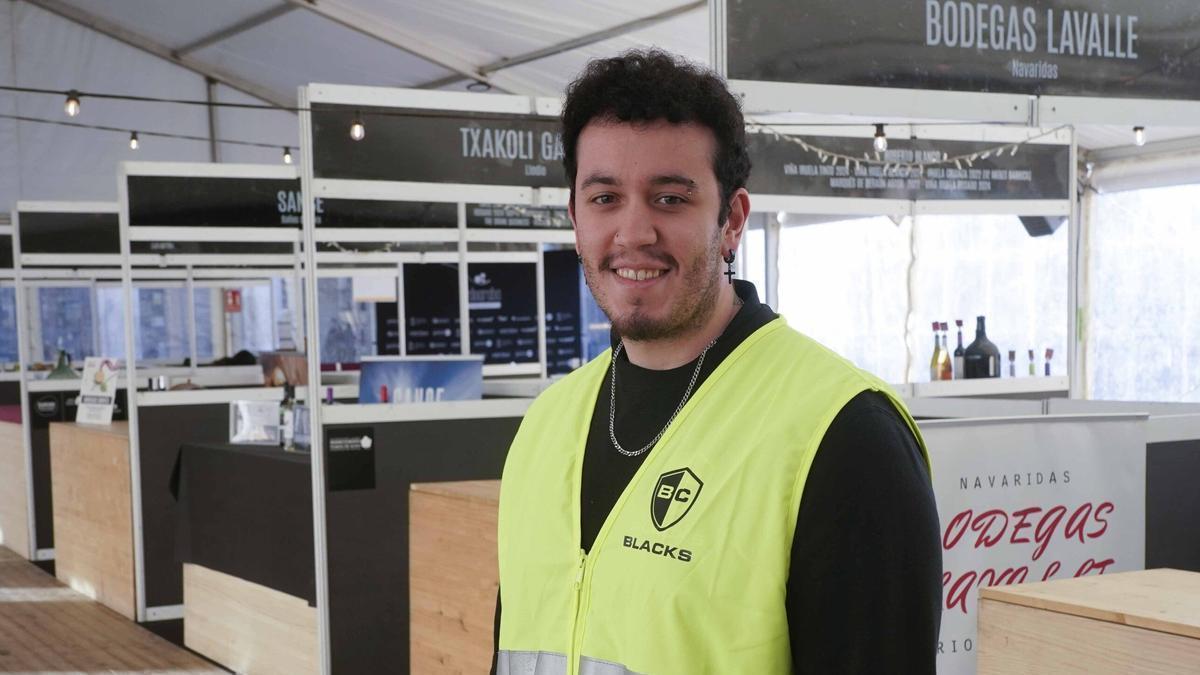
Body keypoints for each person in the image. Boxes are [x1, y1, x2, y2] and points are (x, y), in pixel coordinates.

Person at [494, 49, 941, 674]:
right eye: (604, 198)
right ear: (574, 218)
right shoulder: (545, 426)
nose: (633, 233)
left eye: (670, 198)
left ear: (731, 221)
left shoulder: (843, 434)